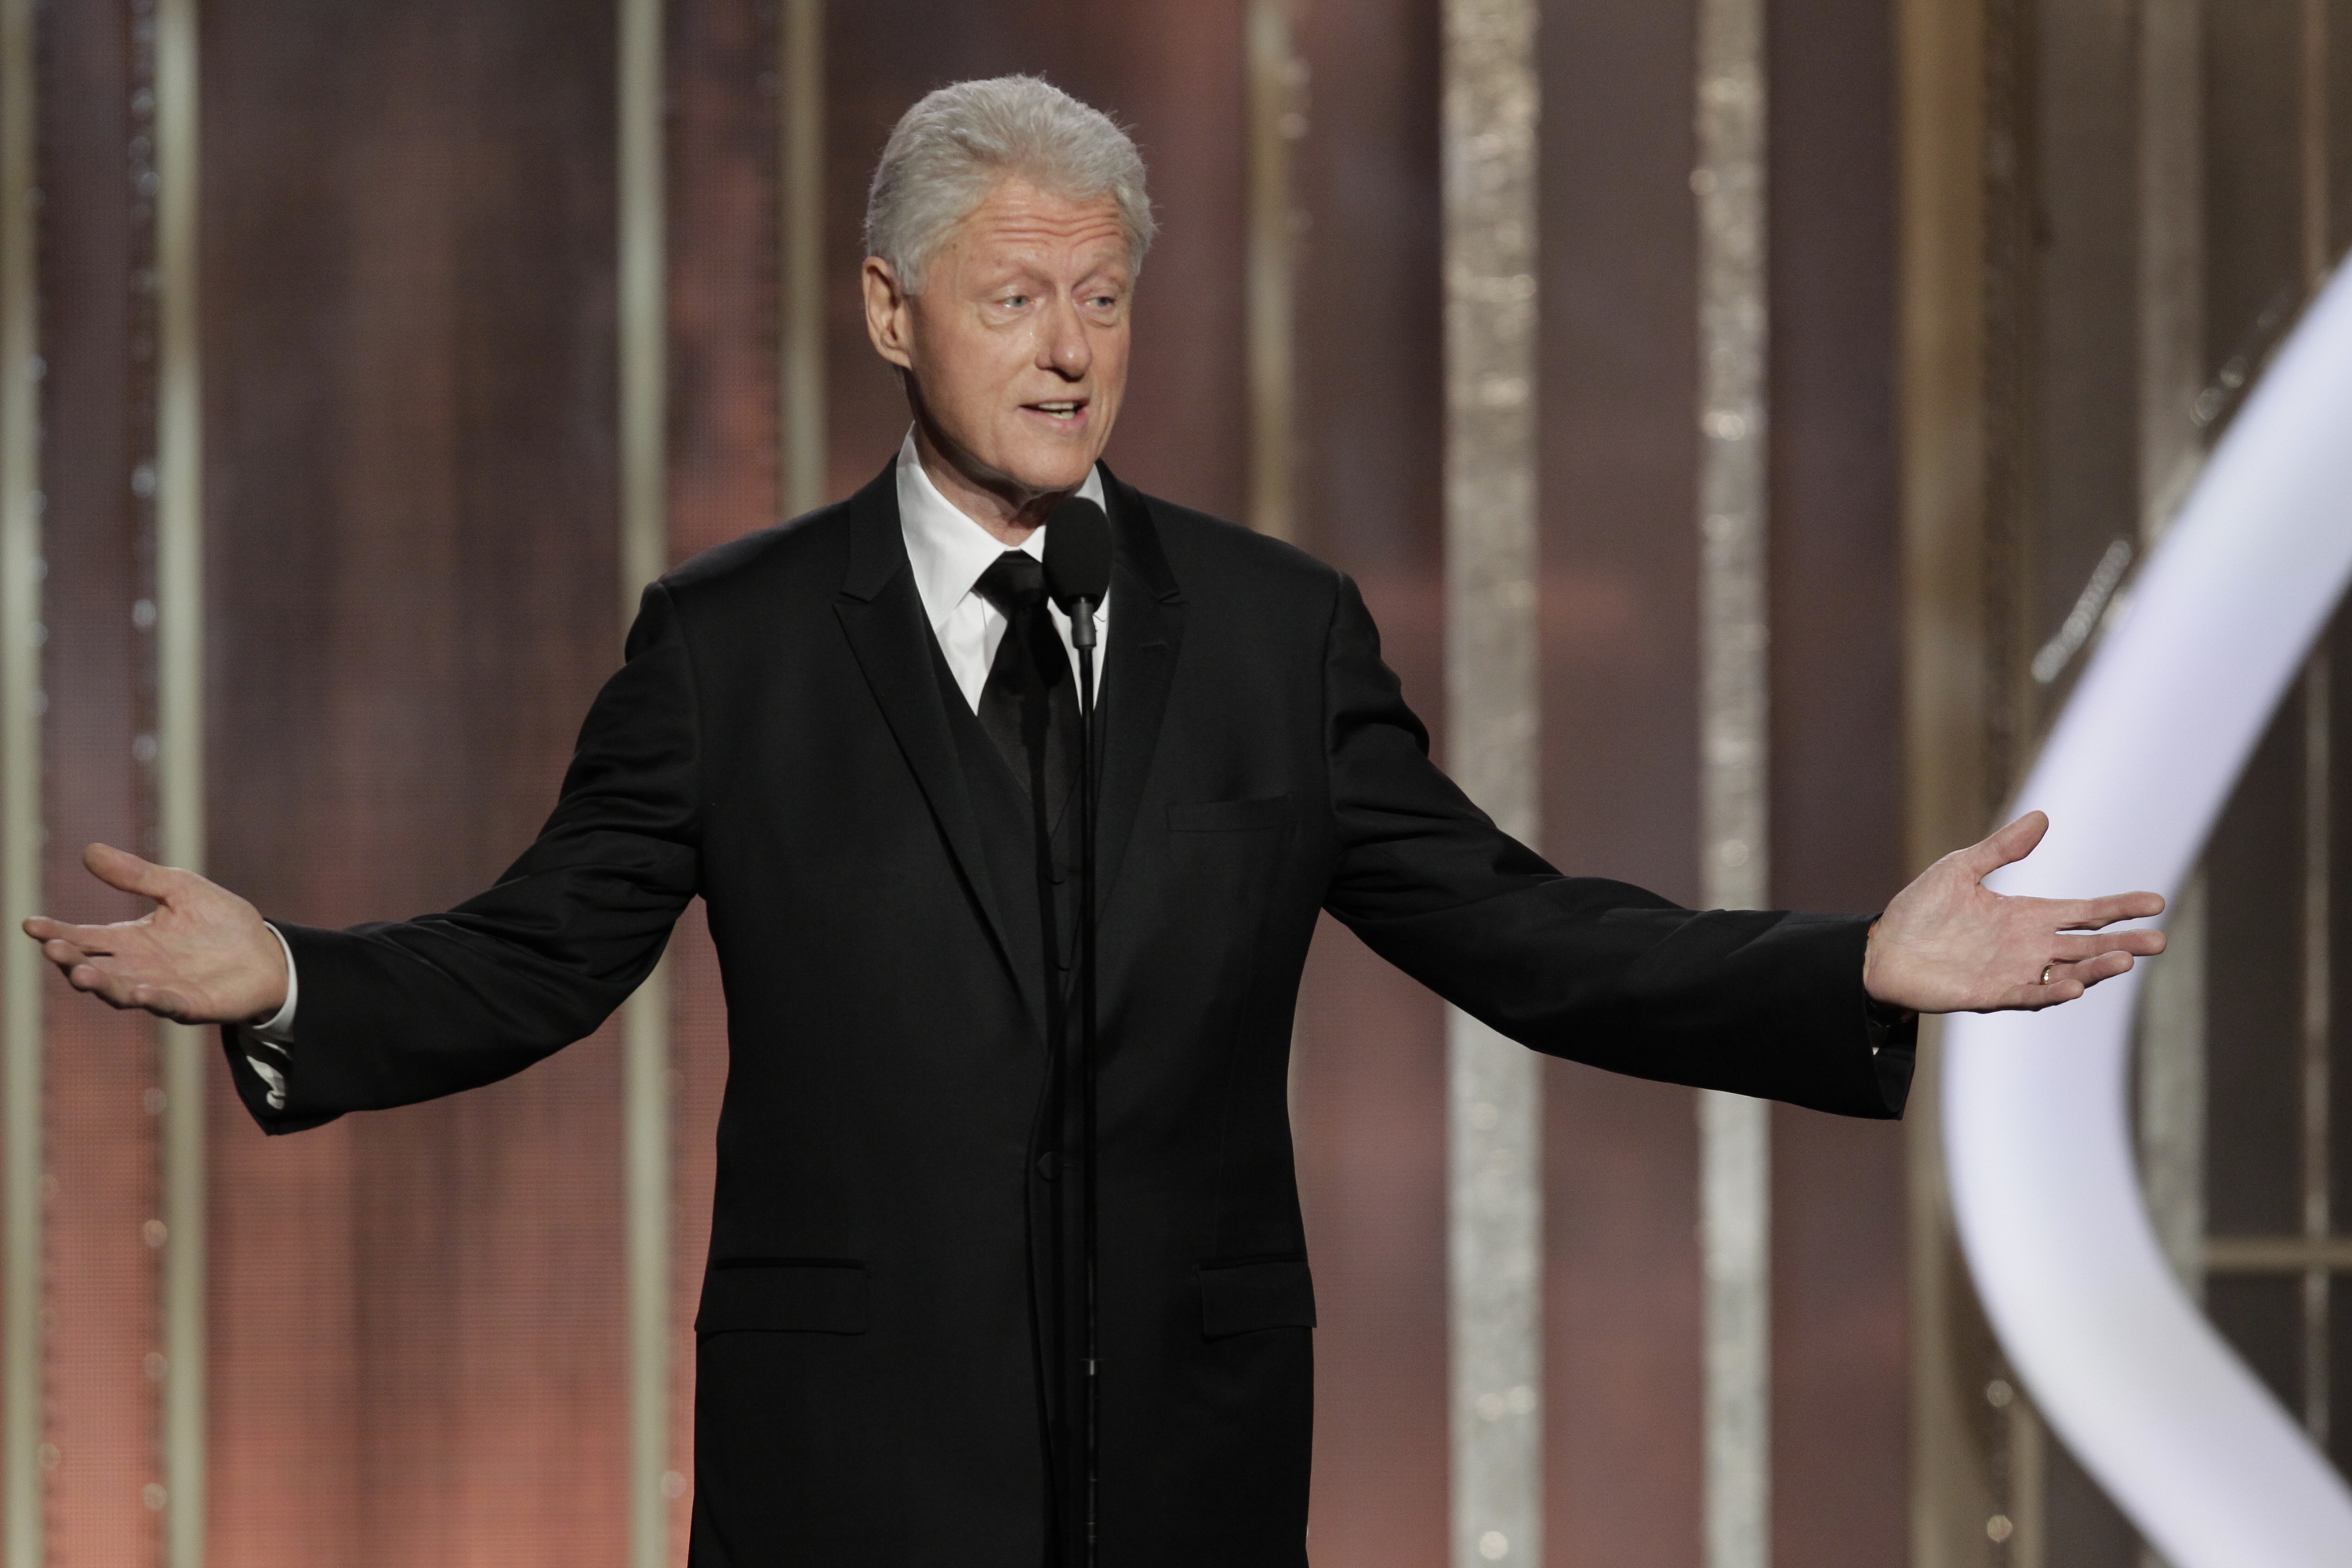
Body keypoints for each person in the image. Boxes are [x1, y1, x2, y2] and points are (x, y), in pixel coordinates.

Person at [24, 76, 2161, 1568]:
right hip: (855, 1473)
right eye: (1016, 297)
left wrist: (1850, 966)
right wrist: (292, 977)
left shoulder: (1275, 633)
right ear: (891, 314)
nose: (1071, 355)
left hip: (1192, 1471)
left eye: (1106, 299)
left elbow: (1523, 933)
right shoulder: (733, 649)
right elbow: (540, 952)